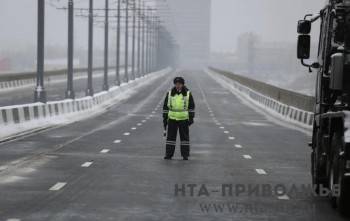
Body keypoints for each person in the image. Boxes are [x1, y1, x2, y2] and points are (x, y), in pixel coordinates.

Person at [163, 77, 195, 160]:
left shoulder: (187, 94)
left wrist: (191, 118)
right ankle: (168, 154)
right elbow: (165, 107)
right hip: (172, 118)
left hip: (183, 119)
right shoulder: (170, 93)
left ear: (183, 85)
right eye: (176, 84)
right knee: (170, 138)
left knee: (184, 138)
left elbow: (191, 106)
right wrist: (165, 118)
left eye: (179, 84)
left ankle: (185, 155)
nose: (177, 86)